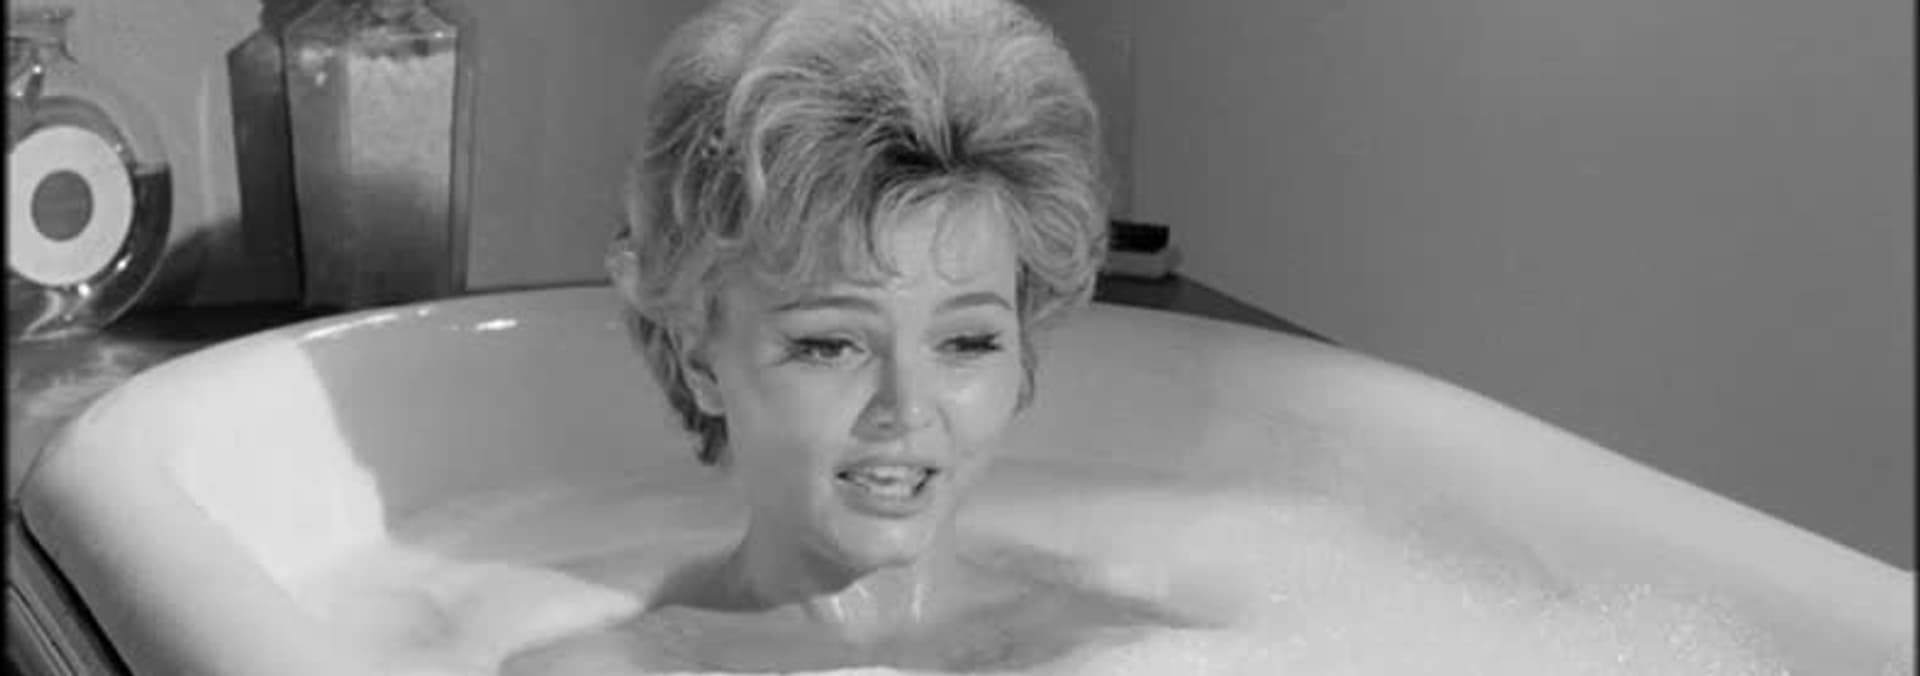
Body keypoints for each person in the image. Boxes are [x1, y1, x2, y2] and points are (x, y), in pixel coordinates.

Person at [505, 0, 1187, 671]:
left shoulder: (1129, 649)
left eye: (967, 342)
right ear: (699, 361)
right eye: (830, 346)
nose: (906, 408)